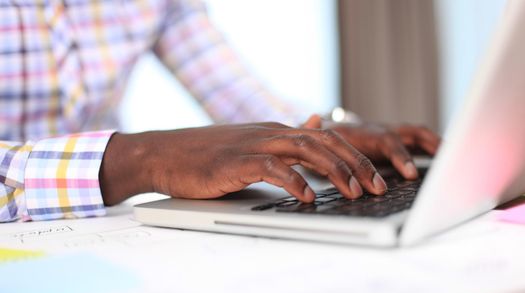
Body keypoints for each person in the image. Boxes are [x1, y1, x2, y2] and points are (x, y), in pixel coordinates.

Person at [0, 0, 440, 223]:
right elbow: (141, 159)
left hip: (99, 230)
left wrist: (322, 135)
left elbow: (232, 89)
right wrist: (140, 160)